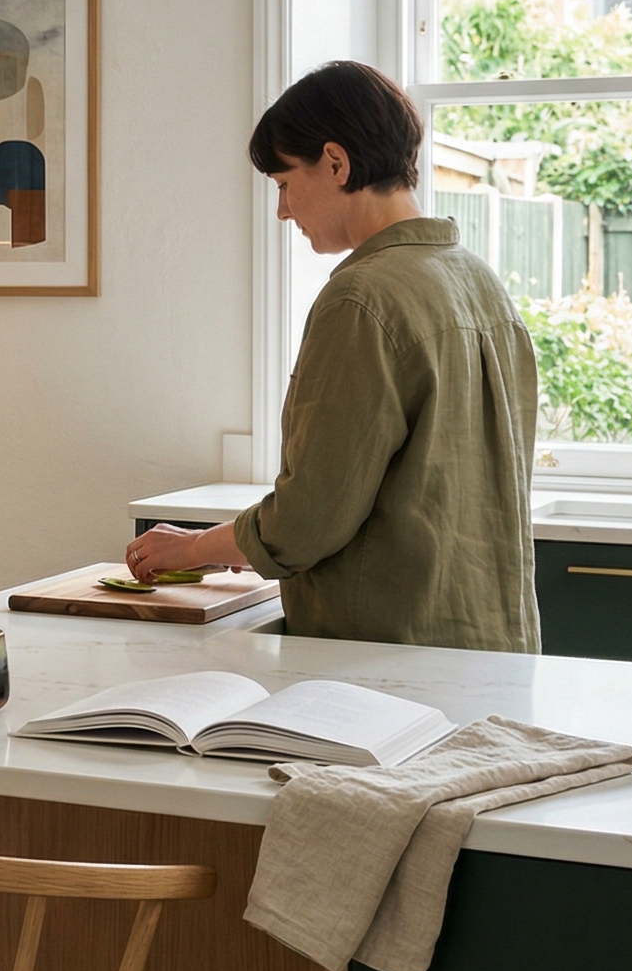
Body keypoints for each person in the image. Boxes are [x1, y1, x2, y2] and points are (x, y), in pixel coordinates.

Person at [125, 60, 539, 652]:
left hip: (385, 653)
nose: (283, 211)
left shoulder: (361, 298)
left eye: (284, 183)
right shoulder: (478, 281)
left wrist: (191, 549)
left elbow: (307, 520)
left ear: (336, 162)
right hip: (494, 645)